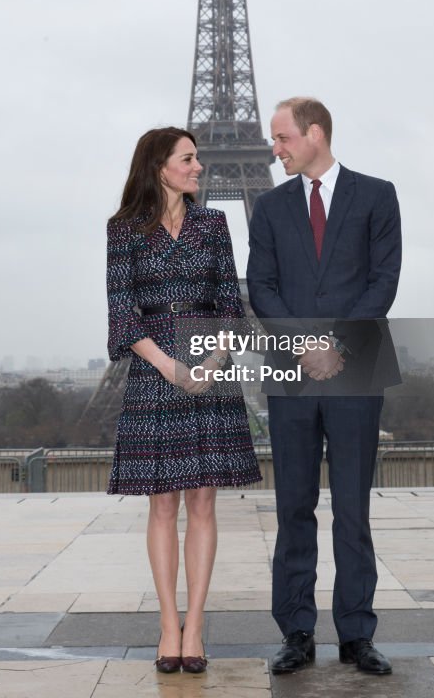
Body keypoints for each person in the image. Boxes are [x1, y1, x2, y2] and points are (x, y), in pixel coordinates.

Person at [247, 98, 401, 677]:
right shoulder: (268, 207)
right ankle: (297, 632)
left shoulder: (377, 195)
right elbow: (260, 285)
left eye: (282, 137)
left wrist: (334, 345)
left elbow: (384, 281)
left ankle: (357, 635)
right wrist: (304, 347)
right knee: (293, 506)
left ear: (314, 134)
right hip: (291, 369)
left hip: (356, 366)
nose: (275, 149)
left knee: (353, 510)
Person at [106, 126, 261, 674]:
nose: (199, 167)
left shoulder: (213, 224)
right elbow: (123, 313)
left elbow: (228, 302)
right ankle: (167, 624)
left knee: (202, 501)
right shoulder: (123, 230)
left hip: (208, 362)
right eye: (189, 159)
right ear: (159, 166)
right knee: (163, 503)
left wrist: (212, 362)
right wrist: (172, 366)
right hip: (156, 367)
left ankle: (194, 627)